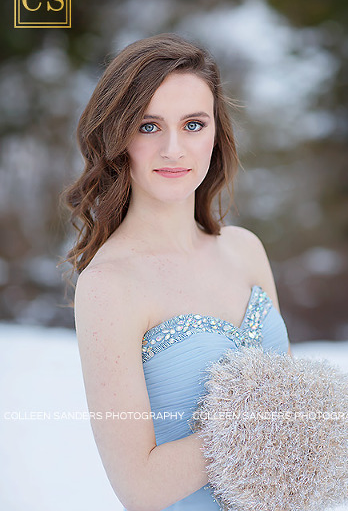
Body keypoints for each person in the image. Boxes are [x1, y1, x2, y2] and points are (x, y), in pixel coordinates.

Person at [63, 33, 291, 510]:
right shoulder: (108, 286)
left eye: (193, 124)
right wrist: (251, 425)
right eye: (148, 126)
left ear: (215, 133)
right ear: (119, 137)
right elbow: (138, 489)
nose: (174, 148)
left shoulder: (246, 249)